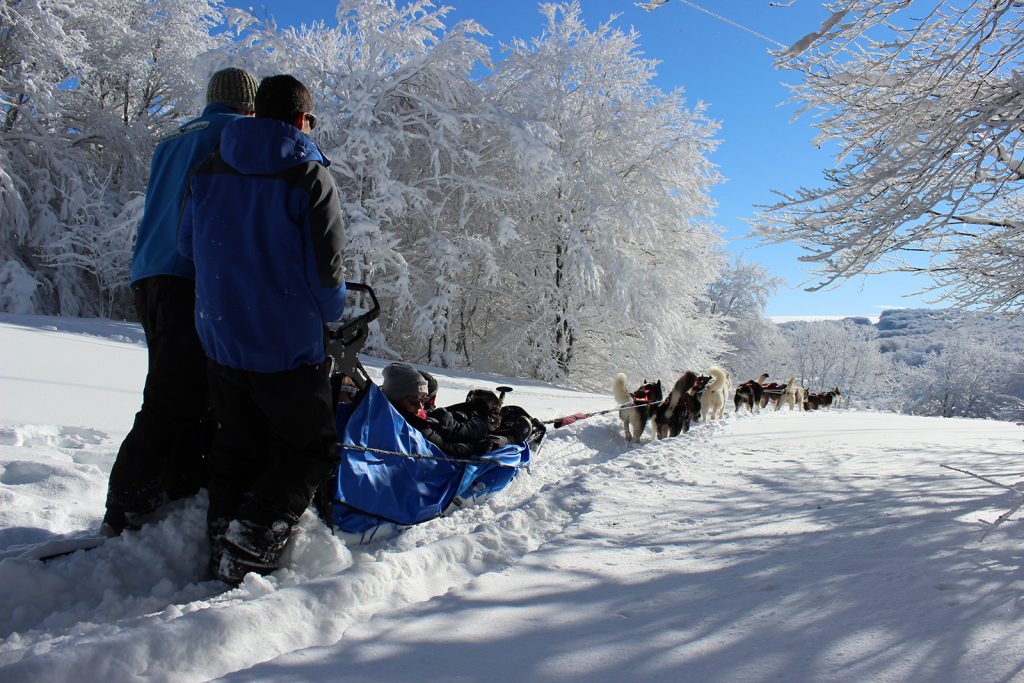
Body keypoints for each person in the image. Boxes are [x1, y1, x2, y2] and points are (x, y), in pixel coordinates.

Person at [178, 74, 346, 585]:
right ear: (301, 119)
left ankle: (220, 545)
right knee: (312, 449)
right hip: (287, 345)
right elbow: (327, 274)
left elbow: (187, 247)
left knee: (236, 446)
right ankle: (250, 541)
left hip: (222, 337)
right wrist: (328, 313)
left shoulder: (209, 166)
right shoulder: (308, 176)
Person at [102, 67, 259, 536]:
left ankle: (178, 489)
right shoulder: (236, 133)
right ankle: (126, 503)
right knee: (173, 396)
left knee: (188, 388)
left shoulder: (173, 138)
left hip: (148, 273)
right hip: (189, 276)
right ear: (247, 104)